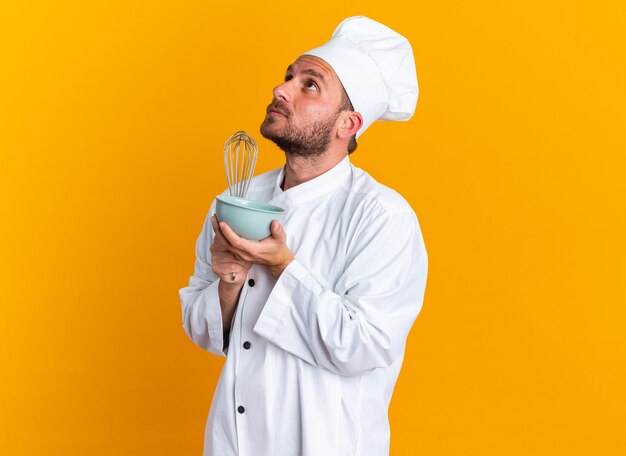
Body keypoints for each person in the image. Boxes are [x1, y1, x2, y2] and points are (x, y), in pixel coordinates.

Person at [179, 16, 428, 456]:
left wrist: (281, 266)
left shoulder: (381, 216)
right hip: (232, 445)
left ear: (347, 125)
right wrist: (230, 280)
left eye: (310, 85)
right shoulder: (238, 198)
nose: (282, 89)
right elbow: (201, 331)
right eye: (289, 76)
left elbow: (363, 345)